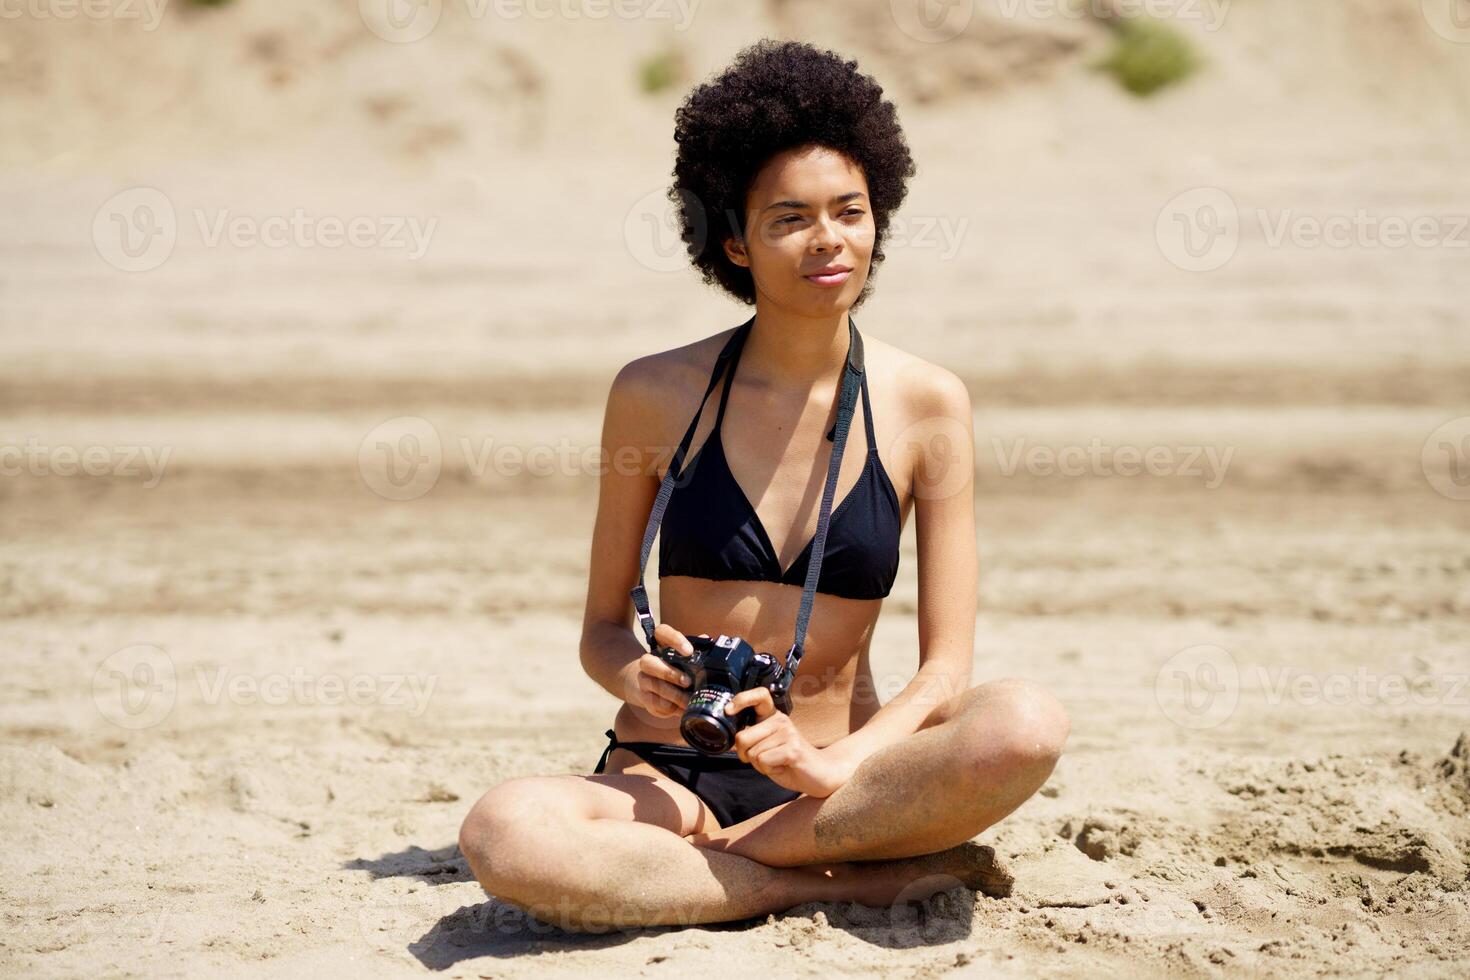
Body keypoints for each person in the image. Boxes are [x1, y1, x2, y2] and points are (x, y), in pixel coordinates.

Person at [459, 38, 1069, 933]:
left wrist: (837, 765)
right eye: (790, 219)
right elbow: (598, 628)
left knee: (1024, 722)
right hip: (670, 779)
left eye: (849, 212)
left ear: (878, 219)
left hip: (838, 784)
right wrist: (636, 678)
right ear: (736, 242)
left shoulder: (930, 402)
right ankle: (811, 883)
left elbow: (945, 672)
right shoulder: (653, 393)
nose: (828, 240)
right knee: (504, 833)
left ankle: (709, 876)